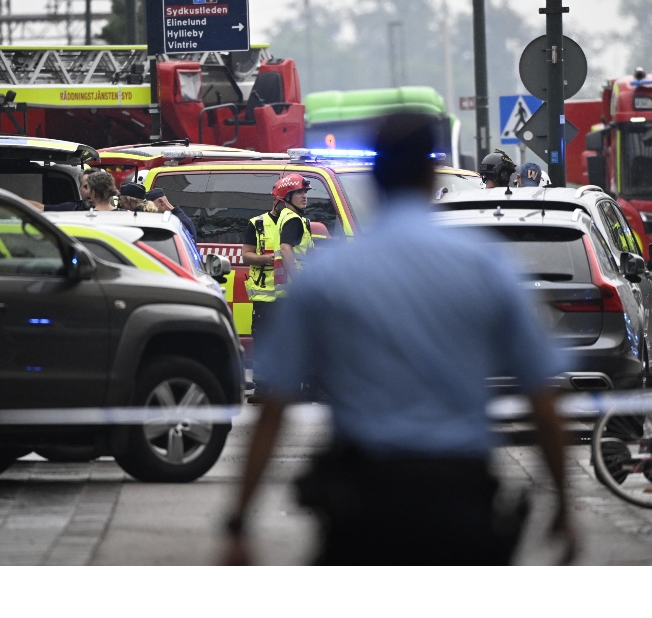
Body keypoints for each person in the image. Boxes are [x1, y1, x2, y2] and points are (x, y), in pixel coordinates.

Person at [223, 113, 574, 566]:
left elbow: (273, 409)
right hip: (460, 499)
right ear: (431, 178)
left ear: (374, 178)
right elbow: (543, 397)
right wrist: (564, 507)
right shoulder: (487, 266)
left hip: (363, 506)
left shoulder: (331, 274)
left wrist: (239, 521)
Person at [242, 174, 314, 381]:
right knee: (263, 340)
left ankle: (283, 385)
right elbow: (246, 255)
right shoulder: (257, 223)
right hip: (265, 293)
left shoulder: (299, 221)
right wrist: (266, 260)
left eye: (305, 192)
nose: (304, 196)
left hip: (286, 291)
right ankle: (262, 387)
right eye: (299, 192)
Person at [26, 167, 94, 212]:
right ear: (80, 189)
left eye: (94, 187)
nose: (90, 192)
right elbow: (41, 208)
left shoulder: (105, 213)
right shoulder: (73, 207)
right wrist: (16, 202)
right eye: (86, 187)